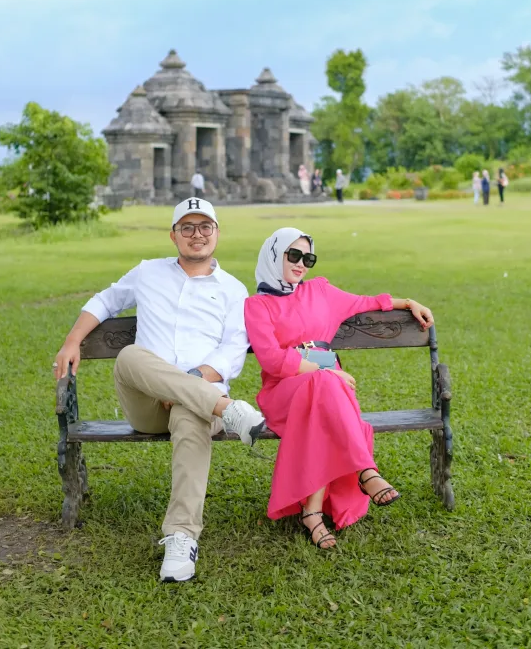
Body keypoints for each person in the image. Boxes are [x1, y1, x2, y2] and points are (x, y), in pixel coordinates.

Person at [53, 198, 265, 584]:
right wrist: (72, 340)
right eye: (187, 227)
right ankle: (229, 409)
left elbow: (233, 350)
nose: (196, 234)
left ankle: (182, 537)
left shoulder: (234, 289)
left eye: (205, 227)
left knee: (190, 412)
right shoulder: (148, 272)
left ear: (217, 233)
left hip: (199, 404)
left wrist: (188, 384)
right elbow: (106, 300)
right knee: (131, 355)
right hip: (149, 405)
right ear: (173, 235)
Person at [244, 228, 433, 549]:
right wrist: (322, 369)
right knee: (327, 383)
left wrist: (408, 302)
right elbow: (273, 360)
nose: (301, 264)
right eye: (293, 255)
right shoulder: (257, 305)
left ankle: (312, 512)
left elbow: (366, 302)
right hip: (284, 393)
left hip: (327, 390)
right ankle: (365, 469)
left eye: (308, 258)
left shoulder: (320, 291)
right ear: (274, 255)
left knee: (324, 401)